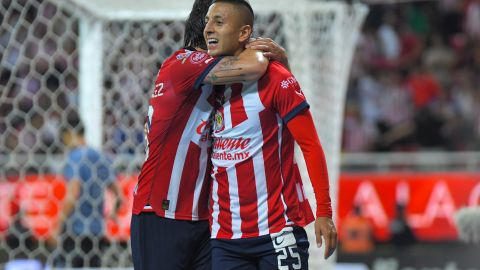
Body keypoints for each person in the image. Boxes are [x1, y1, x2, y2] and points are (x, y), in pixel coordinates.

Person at [129, 1, 290, 269]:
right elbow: (255, 64)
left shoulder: (215, 78)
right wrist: (254, 48)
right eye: (219, 21)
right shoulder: (184, 62)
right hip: (161, 213)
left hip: (203, 219)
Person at [204, 0, 337, 269]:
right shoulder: (203, 81)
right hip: (224, 235)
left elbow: (310, 145)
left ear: (243, 33)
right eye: (207, 21)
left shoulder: (276, 77)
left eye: (218, 22)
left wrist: (324, 211)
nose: (208, 29)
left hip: (278, 230)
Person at [52, 114, 122, 268]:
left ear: (69, 134)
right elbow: (118, 193)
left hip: (76, 230)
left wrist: (58, 224)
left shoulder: (75, 157)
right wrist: (113, 213)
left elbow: (73, 193)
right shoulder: (100, 156)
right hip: (96, 231)